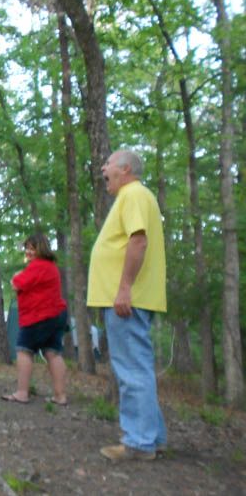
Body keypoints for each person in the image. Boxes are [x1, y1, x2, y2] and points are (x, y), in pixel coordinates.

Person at [88, 149, 167, 461]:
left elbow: (138, 240)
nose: (103, 168)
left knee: (132, 369)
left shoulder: (133, 194)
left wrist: (124, 288)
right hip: (130, 298)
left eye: (108, 163)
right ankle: (152, 437)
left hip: (126, 300)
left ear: (124, 169)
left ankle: (139, 443)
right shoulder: (134, 196)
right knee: (137, 367)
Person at [2, 234, 68, 405]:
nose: (28, 252)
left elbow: (17, 283)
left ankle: (22, 393)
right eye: (27, 248)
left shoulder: (38, 266)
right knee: (53, 353)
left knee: (24, 350)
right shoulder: (51, 267)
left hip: (39, 316)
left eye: (32, 248)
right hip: (56, 315)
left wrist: (16, 275)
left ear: (41, 249)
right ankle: (60, 395)